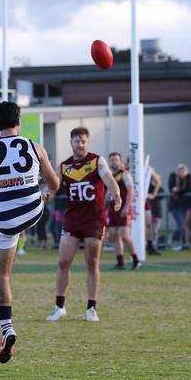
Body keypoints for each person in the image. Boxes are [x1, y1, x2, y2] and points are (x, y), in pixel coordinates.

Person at [0, 101, 59, 364]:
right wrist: (47, 194)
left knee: (1, 277)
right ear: (18, 122)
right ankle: (30, 221)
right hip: (33, 209)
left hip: (5, 218)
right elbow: (54, 183)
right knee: (36, 199)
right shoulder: (35, 147)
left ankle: (7, 329)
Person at [45, 127, 122, 323]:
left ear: (88, 143)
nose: (80, 144)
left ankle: (91, 308)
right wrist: (46, 195)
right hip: (73, 218)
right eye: (77, 141)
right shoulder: (64, 166)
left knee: (92, 263)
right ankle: (59, 306)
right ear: (71, 143)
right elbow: (53, 185)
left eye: (83, 141)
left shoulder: (97, 161)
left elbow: (109, 179)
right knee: (63, 261)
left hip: (94, 220)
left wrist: (116, 193)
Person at [107, 152, 141, 269]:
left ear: (120, 162)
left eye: (116, 160)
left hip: (123, 208)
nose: (113, 162)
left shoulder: (125, 174)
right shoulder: (110, 176)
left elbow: (131, 191)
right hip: (113, 209)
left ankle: (136, 260)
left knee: (124, 234)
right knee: (114, 235)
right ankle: (120, 262)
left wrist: (126, 207)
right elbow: (108, 193)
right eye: (111, 160)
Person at [168, 164, 191, 250]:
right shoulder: (174, 178)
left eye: (183, 170)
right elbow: (172, 188)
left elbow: (186, 189)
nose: (182, 172)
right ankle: (183, 243)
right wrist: (175, 191)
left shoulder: (189, 178)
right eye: (180, 171)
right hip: (183, 206)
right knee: (184, 224)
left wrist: (177, 192)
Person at [145, 169, 162, 255]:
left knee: (148, 224)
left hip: (143, 199)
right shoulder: (127, 168)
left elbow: (158, 180)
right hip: (132, 199)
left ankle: (150, 246)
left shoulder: (147, 168)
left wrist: (153, 194)